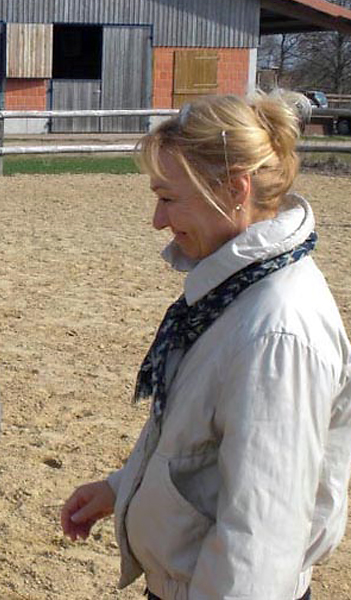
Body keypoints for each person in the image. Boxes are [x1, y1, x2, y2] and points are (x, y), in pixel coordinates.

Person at [60, 92, 351, 599]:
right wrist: (121, 487)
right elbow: (196, 442)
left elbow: (261, 540)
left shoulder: (276, 333)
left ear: (234, 189)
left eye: (169, 197)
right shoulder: (233, 294)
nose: (157, 219)